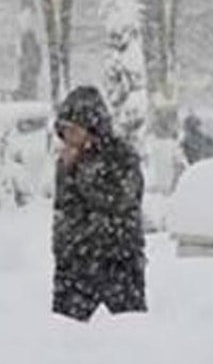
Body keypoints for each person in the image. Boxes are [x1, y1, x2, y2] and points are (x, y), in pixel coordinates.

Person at [52, 86, 147, 322]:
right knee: (66, 335)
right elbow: (65, 208)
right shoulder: (66, 162)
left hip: (117, 262)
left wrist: (80, 173)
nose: (68, 137)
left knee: (129, 329)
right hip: (74, 265)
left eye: (74, 130)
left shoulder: (120, 156)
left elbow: (120, 200)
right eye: (64, 130)